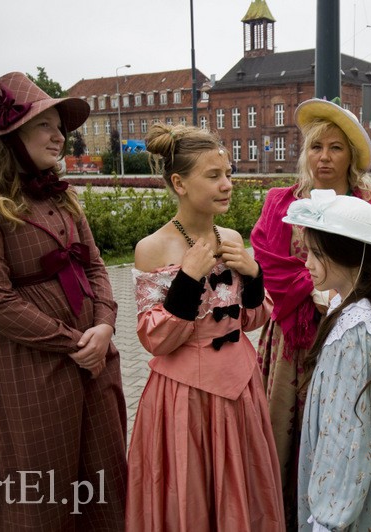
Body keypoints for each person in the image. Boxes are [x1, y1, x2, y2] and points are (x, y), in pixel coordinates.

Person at [0, 72, 127, 529]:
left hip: (92, 356)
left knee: (102, 472)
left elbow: (96, 267)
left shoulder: (62, 197)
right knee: (40, 482)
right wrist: (74, 342)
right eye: (44, 124)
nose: (59, 135)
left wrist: (104, 326)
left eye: (59, 126)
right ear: (8, 134)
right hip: (25, 365)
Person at [250, 98, 371, 528]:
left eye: (335, 148)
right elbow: (268, 260)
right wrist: (313, 293)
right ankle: (291, 507)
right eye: (315, 148)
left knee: (348, 423)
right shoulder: (280, 201)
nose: (324, 157)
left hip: (351, 325)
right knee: (294, 425)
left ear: (351, 156)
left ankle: (344, 505)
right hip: (295, 334)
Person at [126, 123, 284, 531]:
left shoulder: (230, 236)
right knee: (190, 491)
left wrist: (254, 274)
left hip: (241, 388)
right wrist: (188, 278)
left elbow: (251, 319)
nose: (227, 184)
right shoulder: (153, 247)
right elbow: (154, 339)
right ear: (179, 182)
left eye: (228, 174)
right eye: (213, 176)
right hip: (185, 399)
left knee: (242, 487)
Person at [284, 189, 371, 531]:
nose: (306, 262)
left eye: (316, 253)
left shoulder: (356, 335)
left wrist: (329, 515)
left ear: (347, 255)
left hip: (342, 502)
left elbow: (348, 434)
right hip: (351, 490)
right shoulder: (358, 311)